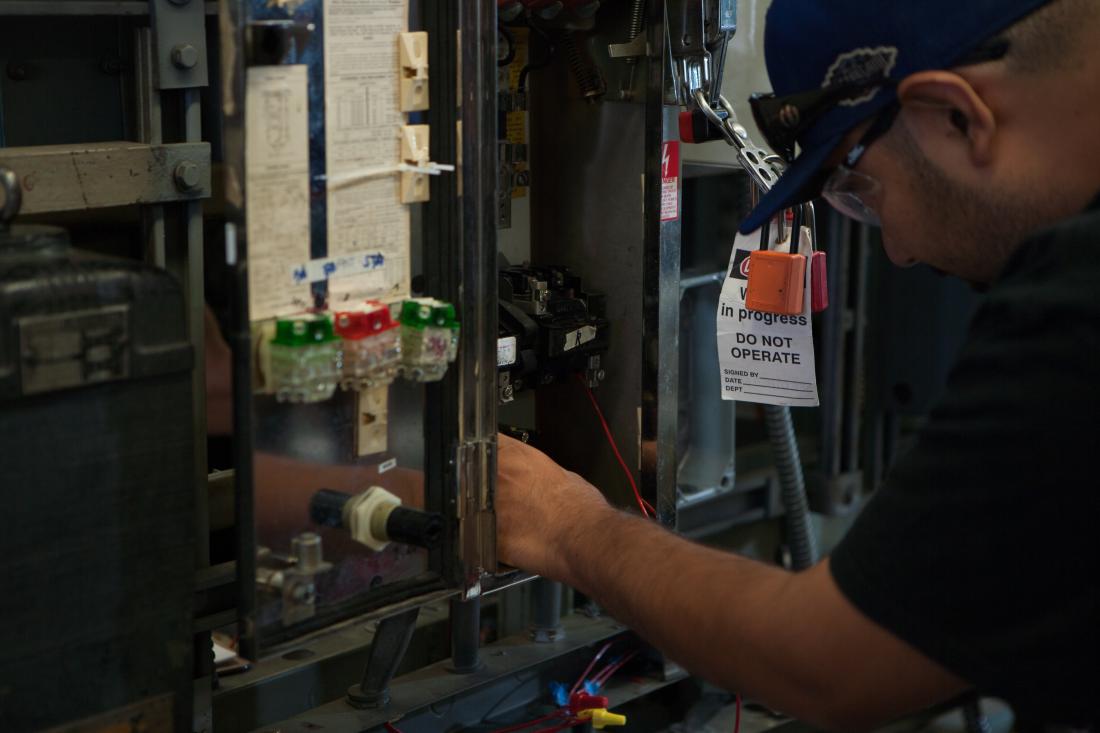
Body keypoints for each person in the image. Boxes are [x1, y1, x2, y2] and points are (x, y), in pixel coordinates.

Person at [495, 0, 1099, 730]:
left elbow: (823, 664)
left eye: (862, 193)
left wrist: (564, 524)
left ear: (955, 116)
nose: (900, 250)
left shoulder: (1076, 296)